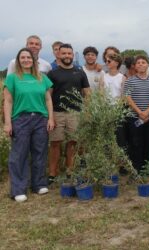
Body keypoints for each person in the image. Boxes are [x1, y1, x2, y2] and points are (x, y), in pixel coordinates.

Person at [3, 48, 55, 202]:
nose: (26, 60)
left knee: (40, 152)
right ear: (18, 60)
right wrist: (7, 123)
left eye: (29, 57)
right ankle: (18, 189)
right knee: (19, 154)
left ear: (33, 60)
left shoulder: (41, 77)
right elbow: (8, 101)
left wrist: (50, 118)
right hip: (21, 119)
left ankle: (38, 184)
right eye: (22, 57)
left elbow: (47, 99)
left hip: (40, 119)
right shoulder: (12, 78)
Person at [47, 43, 90, 183]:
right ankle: (52, 173)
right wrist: (50, 116)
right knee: (55, 143)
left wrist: (88, 112)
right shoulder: (52, 74)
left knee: (73, 142)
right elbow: (48, 96)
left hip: (75, 113)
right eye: (63, 53)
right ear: (58, 54)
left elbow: (87, 95)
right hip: (57, 113)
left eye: (69, 53)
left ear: (72, 55)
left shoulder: (80, 73)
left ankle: (70, 170)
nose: (66, 56)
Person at [124, 55, 149, 171]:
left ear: (147, 65)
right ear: (135, 66)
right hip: (135, 117)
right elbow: (128, 98)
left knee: (148, 142)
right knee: (136, 142)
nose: (140, 64)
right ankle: (137, 168)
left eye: (143, 62)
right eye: (138, 62)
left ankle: (146, 169)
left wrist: (147, 112)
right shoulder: (130, 81)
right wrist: (140, 112)